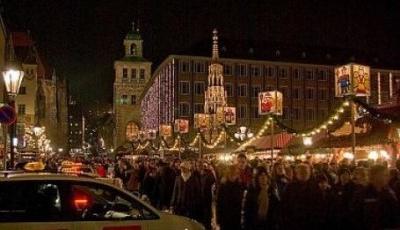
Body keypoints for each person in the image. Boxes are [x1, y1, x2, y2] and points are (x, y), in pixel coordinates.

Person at [350, 165, 400, 229]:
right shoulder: (362, 194)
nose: (388, 178)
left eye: (387, 175)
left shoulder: (389, 193)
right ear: (375, 176)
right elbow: (355, 216)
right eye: (385, 175)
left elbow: (395, 214)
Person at [280, 163, 319, 230]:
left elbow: (318, 204)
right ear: (297, 173)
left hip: (311, 221)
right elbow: (284, 204)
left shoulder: (314, 186)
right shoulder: (290, 187)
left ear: (309, 173)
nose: (304, 174)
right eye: (301, 172)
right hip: (294, 221)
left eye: (306, 172)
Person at [216, 165, 244, 230]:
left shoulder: (239, 185)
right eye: (231, 173)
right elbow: (219, 203)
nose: (233, 176)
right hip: (225, 218)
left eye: (235, 173)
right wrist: (218, 219)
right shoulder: (223, 186)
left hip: (236, 217)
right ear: (228, 174)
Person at [193, 161, 216, 230]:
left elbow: (213, 180)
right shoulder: (194, 174)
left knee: (207, 217)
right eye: (198, 165)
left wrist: (210, 172)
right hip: (198, 199)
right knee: (199, 217)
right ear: (196, 166)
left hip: (206, 198)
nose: (199, 167)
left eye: (201, 165)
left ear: (203, 166)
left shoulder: (208, 173)